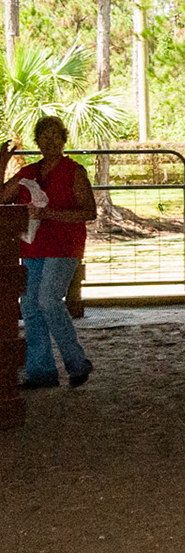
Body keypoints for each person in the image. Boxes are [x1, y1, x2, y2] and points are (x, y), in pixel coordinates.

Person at [2, 116, 97, 388]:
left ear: (64, 139)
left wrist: (48, 214)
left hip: (64, 246)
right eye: (45, 137)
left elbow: (88, 212)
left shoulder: (74, 171)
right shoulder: (28, 173)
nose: (50, 141)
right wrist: (4, 163)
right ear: (38, 141)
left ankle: (77, 363)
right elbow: (3, 197)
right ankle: (41, 371)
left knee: (48, 300)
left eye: (55, 136)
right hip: (32, 247)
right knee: (30, 306)